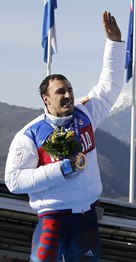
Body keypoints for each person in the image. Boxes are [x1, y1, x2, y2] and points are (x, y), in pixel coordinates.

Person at [4, 11, 124, 261]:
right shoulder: (30, 134)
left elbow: (109, 86)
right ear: (46, 99)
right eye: (61, 92)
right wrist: (59, 170)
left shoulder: (86, 113)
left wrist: (114, 43)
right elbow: (14, 181)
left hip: (87, 220)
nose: (68, 95)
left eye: (70, 89)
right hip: (52, 220)